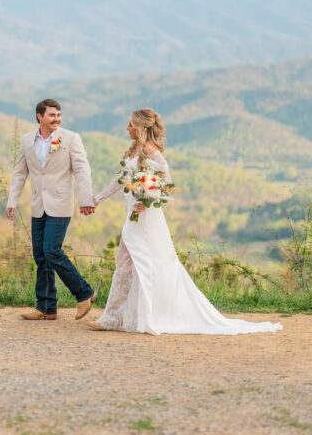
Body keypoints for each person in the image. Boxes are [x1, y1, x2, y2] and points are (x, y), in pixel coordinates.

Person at [87, 108, 282, 336]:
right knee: (129, 264)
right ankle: (124, 316)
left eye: (130, 124)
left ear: (140, 127)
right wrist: (98, 198)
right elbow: (122, 179)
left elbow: (166, 185)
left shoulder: (153, 152)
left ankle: (114, 318)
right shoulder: (134, 150)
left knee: (134, 262)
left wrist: (147, 201)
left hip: (145, 219)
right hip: (132, 214)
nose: (127, 128)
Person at [6, 98, 97, 321]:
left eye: (58, 115)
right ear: (40, 116)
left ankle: (85, 292)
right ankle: (46, 306)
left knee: (52, 250)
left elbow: (82, 170)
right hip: (38, 204)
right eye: (52, 115)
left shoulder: (70, 139)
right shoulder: (27, 141)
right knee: (40, 255)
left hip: (60, 204)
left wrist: (86, 199)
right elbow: (20, 172)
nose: (57, 119)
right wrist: (11, 201)